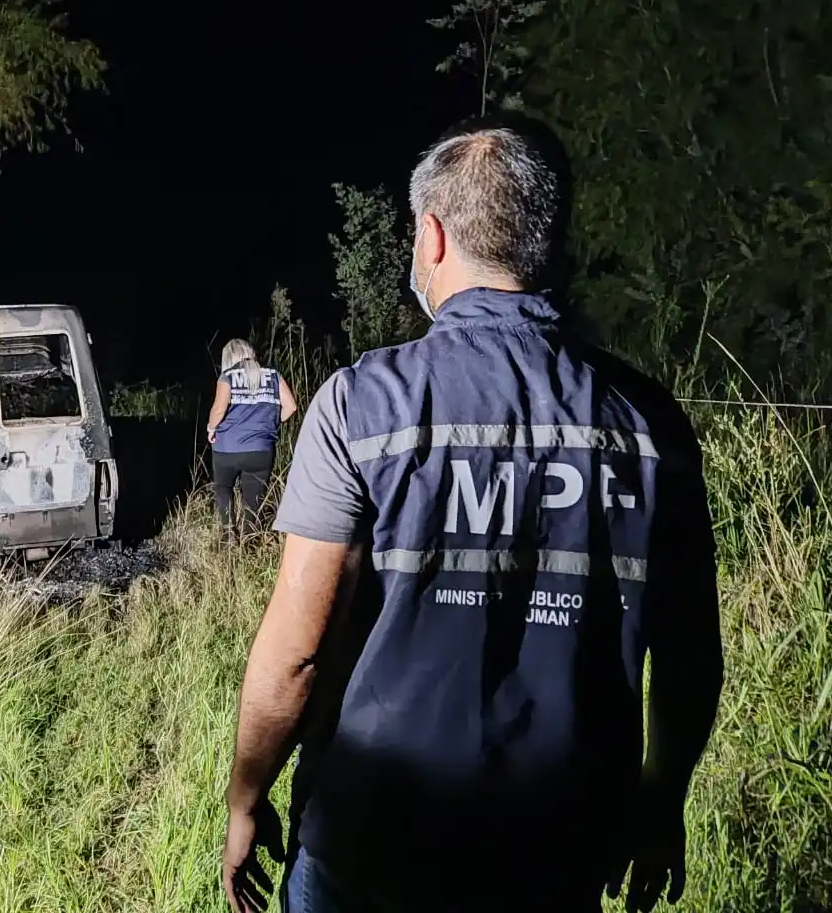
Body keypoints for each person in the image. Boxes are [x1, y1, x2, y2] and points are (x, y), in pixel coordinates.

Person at [221, 114, 724, 913]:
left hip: (373, 837)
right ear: (545, 241)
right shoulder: (651, 423)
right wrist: (662, 802)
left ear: (432, 237)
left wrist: (245, 798)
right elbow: (691, 655)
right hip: (559, 845)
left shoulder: (362, 405)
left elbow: (297, 654)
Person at [207, 339, 298, 539]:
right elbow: (291, 407)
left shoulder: (227, 376)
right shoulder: (273, 375)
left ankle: (229, 536)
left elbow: (219, 409)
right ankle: (249, 542)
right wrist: (269, 425)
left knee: (223, 489)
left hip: (227, 448)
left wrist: (211, 429)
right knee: (252, 500)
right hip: (260, 450)